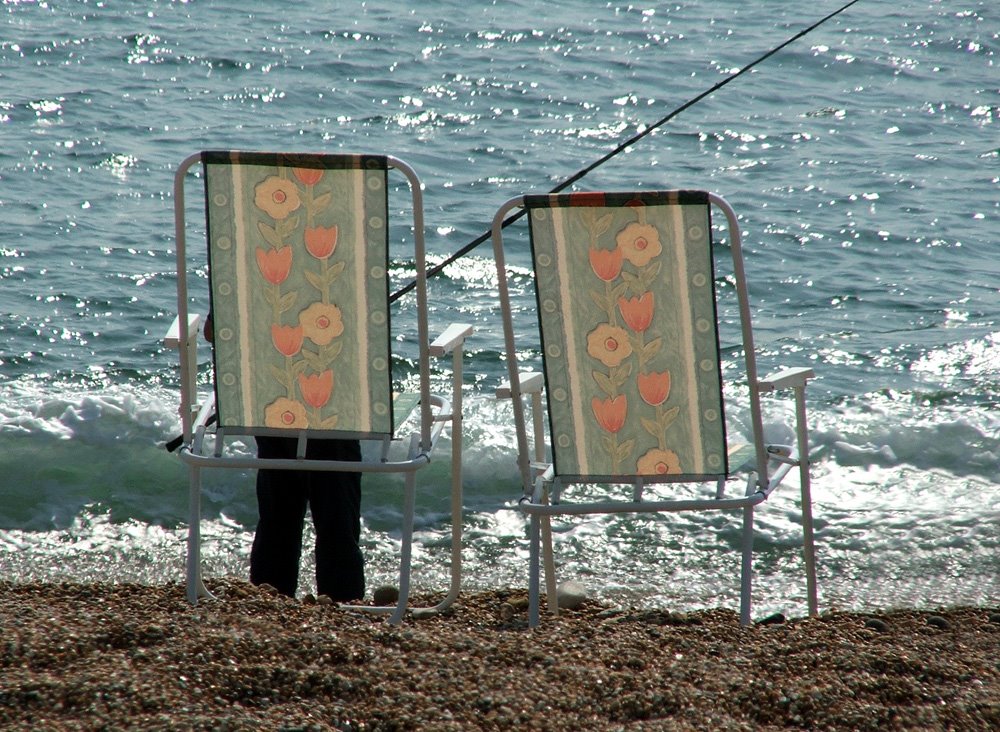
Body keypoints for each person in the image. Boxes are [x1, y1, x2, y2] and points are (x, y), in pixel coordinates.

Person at [205, 314, 364, 601]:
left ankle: (271, 593)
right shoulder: (348, 275)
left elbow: (213, 331)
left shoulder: (247, 271)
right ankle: (342, 598)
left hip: (269, 406)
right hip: (336, 409)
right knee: (336, 493)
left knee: (278, 486)